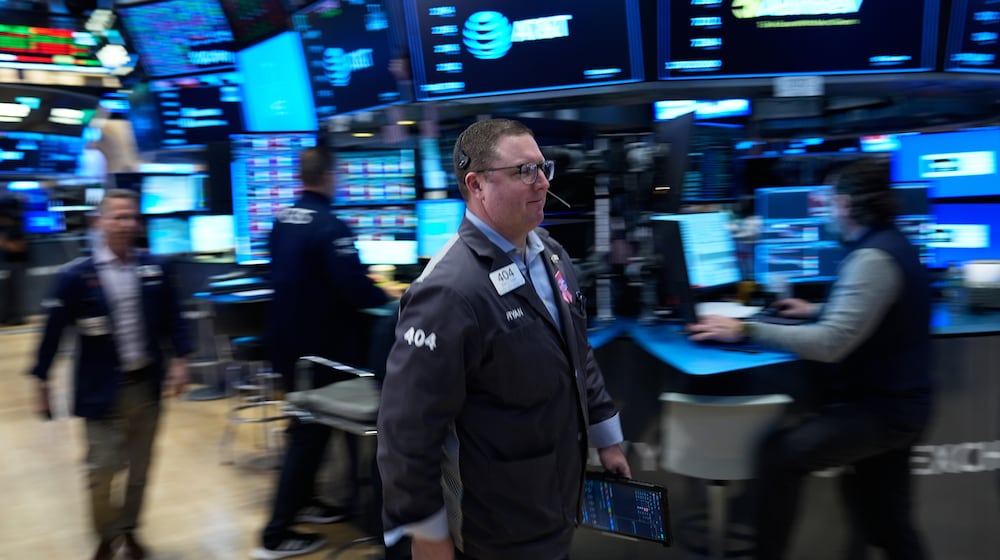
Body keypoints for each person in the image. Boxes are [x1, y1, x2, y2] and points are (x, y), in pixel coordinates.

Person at [377, 118, 632, 560]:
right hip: (493, 525)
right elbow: (406, 432)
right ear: (476, 185)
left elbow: (577, 354)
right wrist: (427, 533)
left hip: (552, 502)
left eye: (543, 167)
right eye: (524, 171)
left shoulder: (550, 254)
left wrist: (606, 436)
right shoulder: (447, 290)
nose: (544, 181)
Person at [688, 159, 932, 560]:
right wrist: (814, 309)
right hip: (899, 405)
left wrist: (745, 329)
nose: (824, 210)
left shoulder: (872, 259)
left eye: (829, 201)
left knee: (781, 455)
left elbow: (831, 343)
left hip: (882, 411)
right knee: (889, 525)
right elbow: (870, 313)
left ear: (848, 204)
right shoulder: (888, 244)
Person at [29, 188, 192, 560]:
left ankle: (130, 530)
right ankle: (106, 534)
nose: (127, 224)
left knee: (140, 468)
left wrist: (181, 361)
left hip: (146, 386)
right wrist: (42, 378)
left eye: (132, 217)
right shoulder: (75, 276)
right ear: (98, 222)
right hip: (100, 389)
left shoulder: (155, 269)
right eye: (118, 216)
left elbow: (174, 319)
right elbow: (53, 331)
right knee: (102, 470)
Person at [252, 146, 392, 559]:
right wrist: (387, 297)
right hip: (323, 351)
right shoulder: (331, 226)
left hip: (286, 347)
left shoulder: (282, 220)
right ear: (330, 176)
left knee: (306, 431)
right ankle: (276, 535)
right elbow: (355, 289)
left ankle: (307, 501)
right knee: (306, 436)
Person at [0, 200, 28, 326]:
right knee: (8, 293)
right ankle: (7, 316)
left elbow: (20, 247)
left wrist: (4, 244)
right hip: (10, 264)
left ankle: (17, 318)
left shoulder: (16, 230)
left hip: (18, 264)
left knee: (15, 293)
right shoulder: (7, 230)